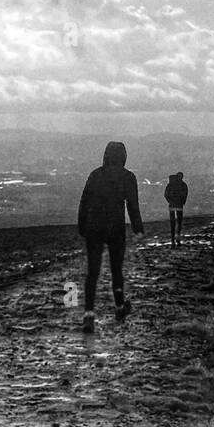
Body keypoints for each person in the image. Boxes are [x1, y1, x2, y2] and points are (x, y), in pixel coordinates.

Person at [77, 141, 143, 333]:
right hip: (116, 228)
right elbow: (133, 206)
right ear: (123, 156)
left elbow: (84, 202)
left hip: (94, 226)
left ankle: (88, 314)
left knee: (93, 272)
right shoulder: (128, 177)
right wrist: (138, 228)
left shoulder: (95, 175)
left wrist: (82, 226)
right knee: (116, 270)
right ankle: (119, 307)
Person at [164, 172, 188, 246]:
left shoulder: (170, 184)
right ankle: (177, 239)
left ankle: (172, 241)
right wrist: (182, 202)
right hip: (179, 206)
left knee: (172, 224)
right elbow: (185, 194)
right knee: (179, 223)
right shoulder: (183, 185)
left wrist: (170, 201)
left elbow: (165, 194)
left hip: (171, 206)